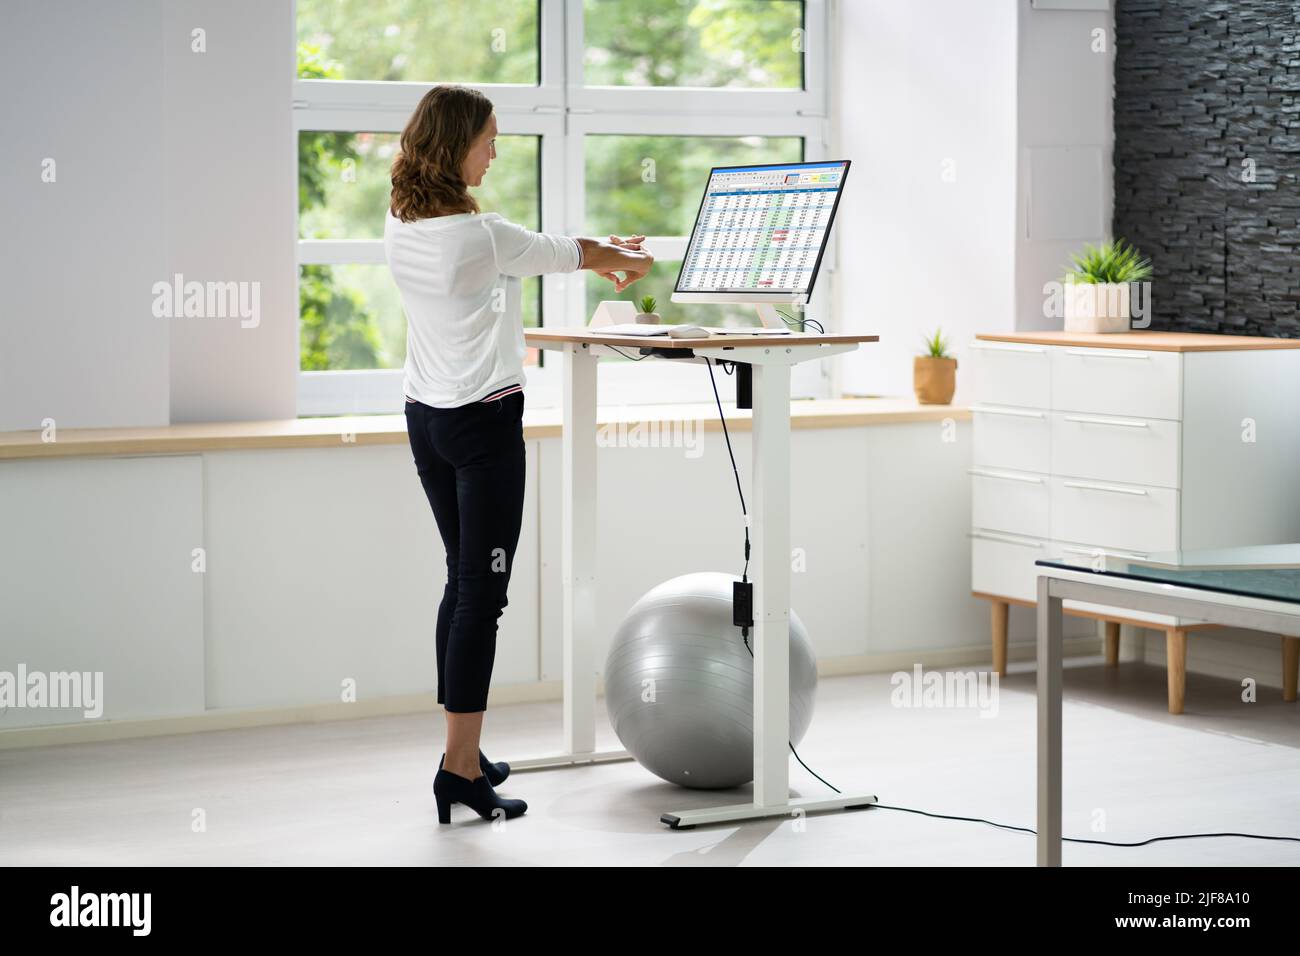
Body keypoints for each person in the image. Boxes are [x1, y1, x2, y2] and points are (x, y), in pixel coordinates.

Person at [384, 84, 653, 824]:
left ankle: (460, 754)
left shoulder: (401, 221)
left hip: (426, 419)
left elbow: (540, 256)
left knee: (461, 583)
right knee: (484, 597)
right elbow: (561, 253)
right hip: (482, 426)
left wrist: (594, 255)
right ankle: (460, 770)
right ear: (455, 144)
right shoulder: (480, 236)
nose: (496, 151)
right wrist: (624, 257)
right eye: (489, 139)